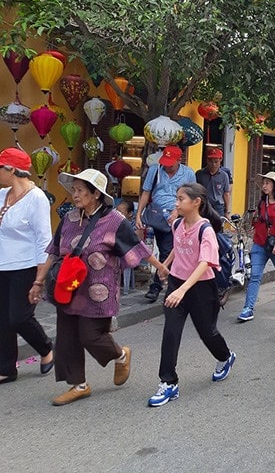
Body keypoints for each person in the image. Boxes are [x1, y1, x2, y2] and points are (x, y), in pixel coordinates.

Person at [42, 169, 165, 405]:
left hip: (99, 290)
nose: (75, 195)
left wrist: (159, 266)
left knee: (91, 336)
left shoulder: (114, 221)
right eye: (74, 190)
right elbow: (54, 250)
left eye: (80, 191)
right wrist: (39, 280)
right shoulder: (68, 218)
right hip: (69, 288)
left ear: (96, 194)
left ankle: (120, 355)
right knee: (67, 337)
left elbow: (136, 246)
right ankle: (79, 385)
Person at [148, 183, 236, 407]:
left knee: (207, 332)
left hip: (201, 287)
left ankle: (225, 357)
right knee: (171, 332)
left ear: (196, 202)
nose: (176, 203)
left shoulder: (206, 230)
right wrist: (164, 265)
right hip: (177, 283)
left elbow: (204, 262)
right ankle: (168, 382)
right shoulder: (178, 223)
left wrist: (183, 289)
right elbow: (178, 247)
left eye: (180, 199)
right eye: (176, 199)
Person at [0, 148, 54, 384]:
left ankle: (45, 348)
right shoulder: (2, 194)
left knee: (19, 317)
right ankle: (6, 368)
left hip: (25, 266)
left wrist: (39, 279)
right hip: (2, 265)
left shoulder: (36, 198)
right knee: (2, 319)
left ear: (11, 169)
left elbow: (44, 240)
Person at [136, 145, 196, 303]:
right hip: (156, 216)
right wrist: (138, 214)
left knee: (166, 250)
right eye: (165, 161)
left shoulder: (188, 173)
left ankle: (156, 286)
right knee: (164, 250)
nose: (167, 165)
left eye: (170, 162)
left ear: (179, 160)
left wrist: (178, 212)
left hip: (177, 217)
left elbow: (192, 197)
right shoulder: (155, 170)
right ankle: (168, 282)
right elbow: (146, 193)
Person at [238, 172, 275, 321]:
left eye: (267, 183)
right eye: (263, 183)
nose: (264, 186)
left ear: (274, 186)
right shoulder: (262, 202)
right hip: (260, 243)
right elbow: (258, 221)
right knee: (255, 276)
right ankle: (248, 308)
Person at [195, 146, 231, 219]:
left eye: (216, 161)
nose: (213, 164)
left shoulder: (224, 176)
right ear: (207, 160)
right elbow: (195, 191)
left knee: (218, 228)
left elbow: (226, 194)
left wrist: (227, 211)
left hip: (218, 207)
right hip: (203, 205)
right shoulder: (199, 174)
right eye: (211, 161)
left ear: (220, 160)